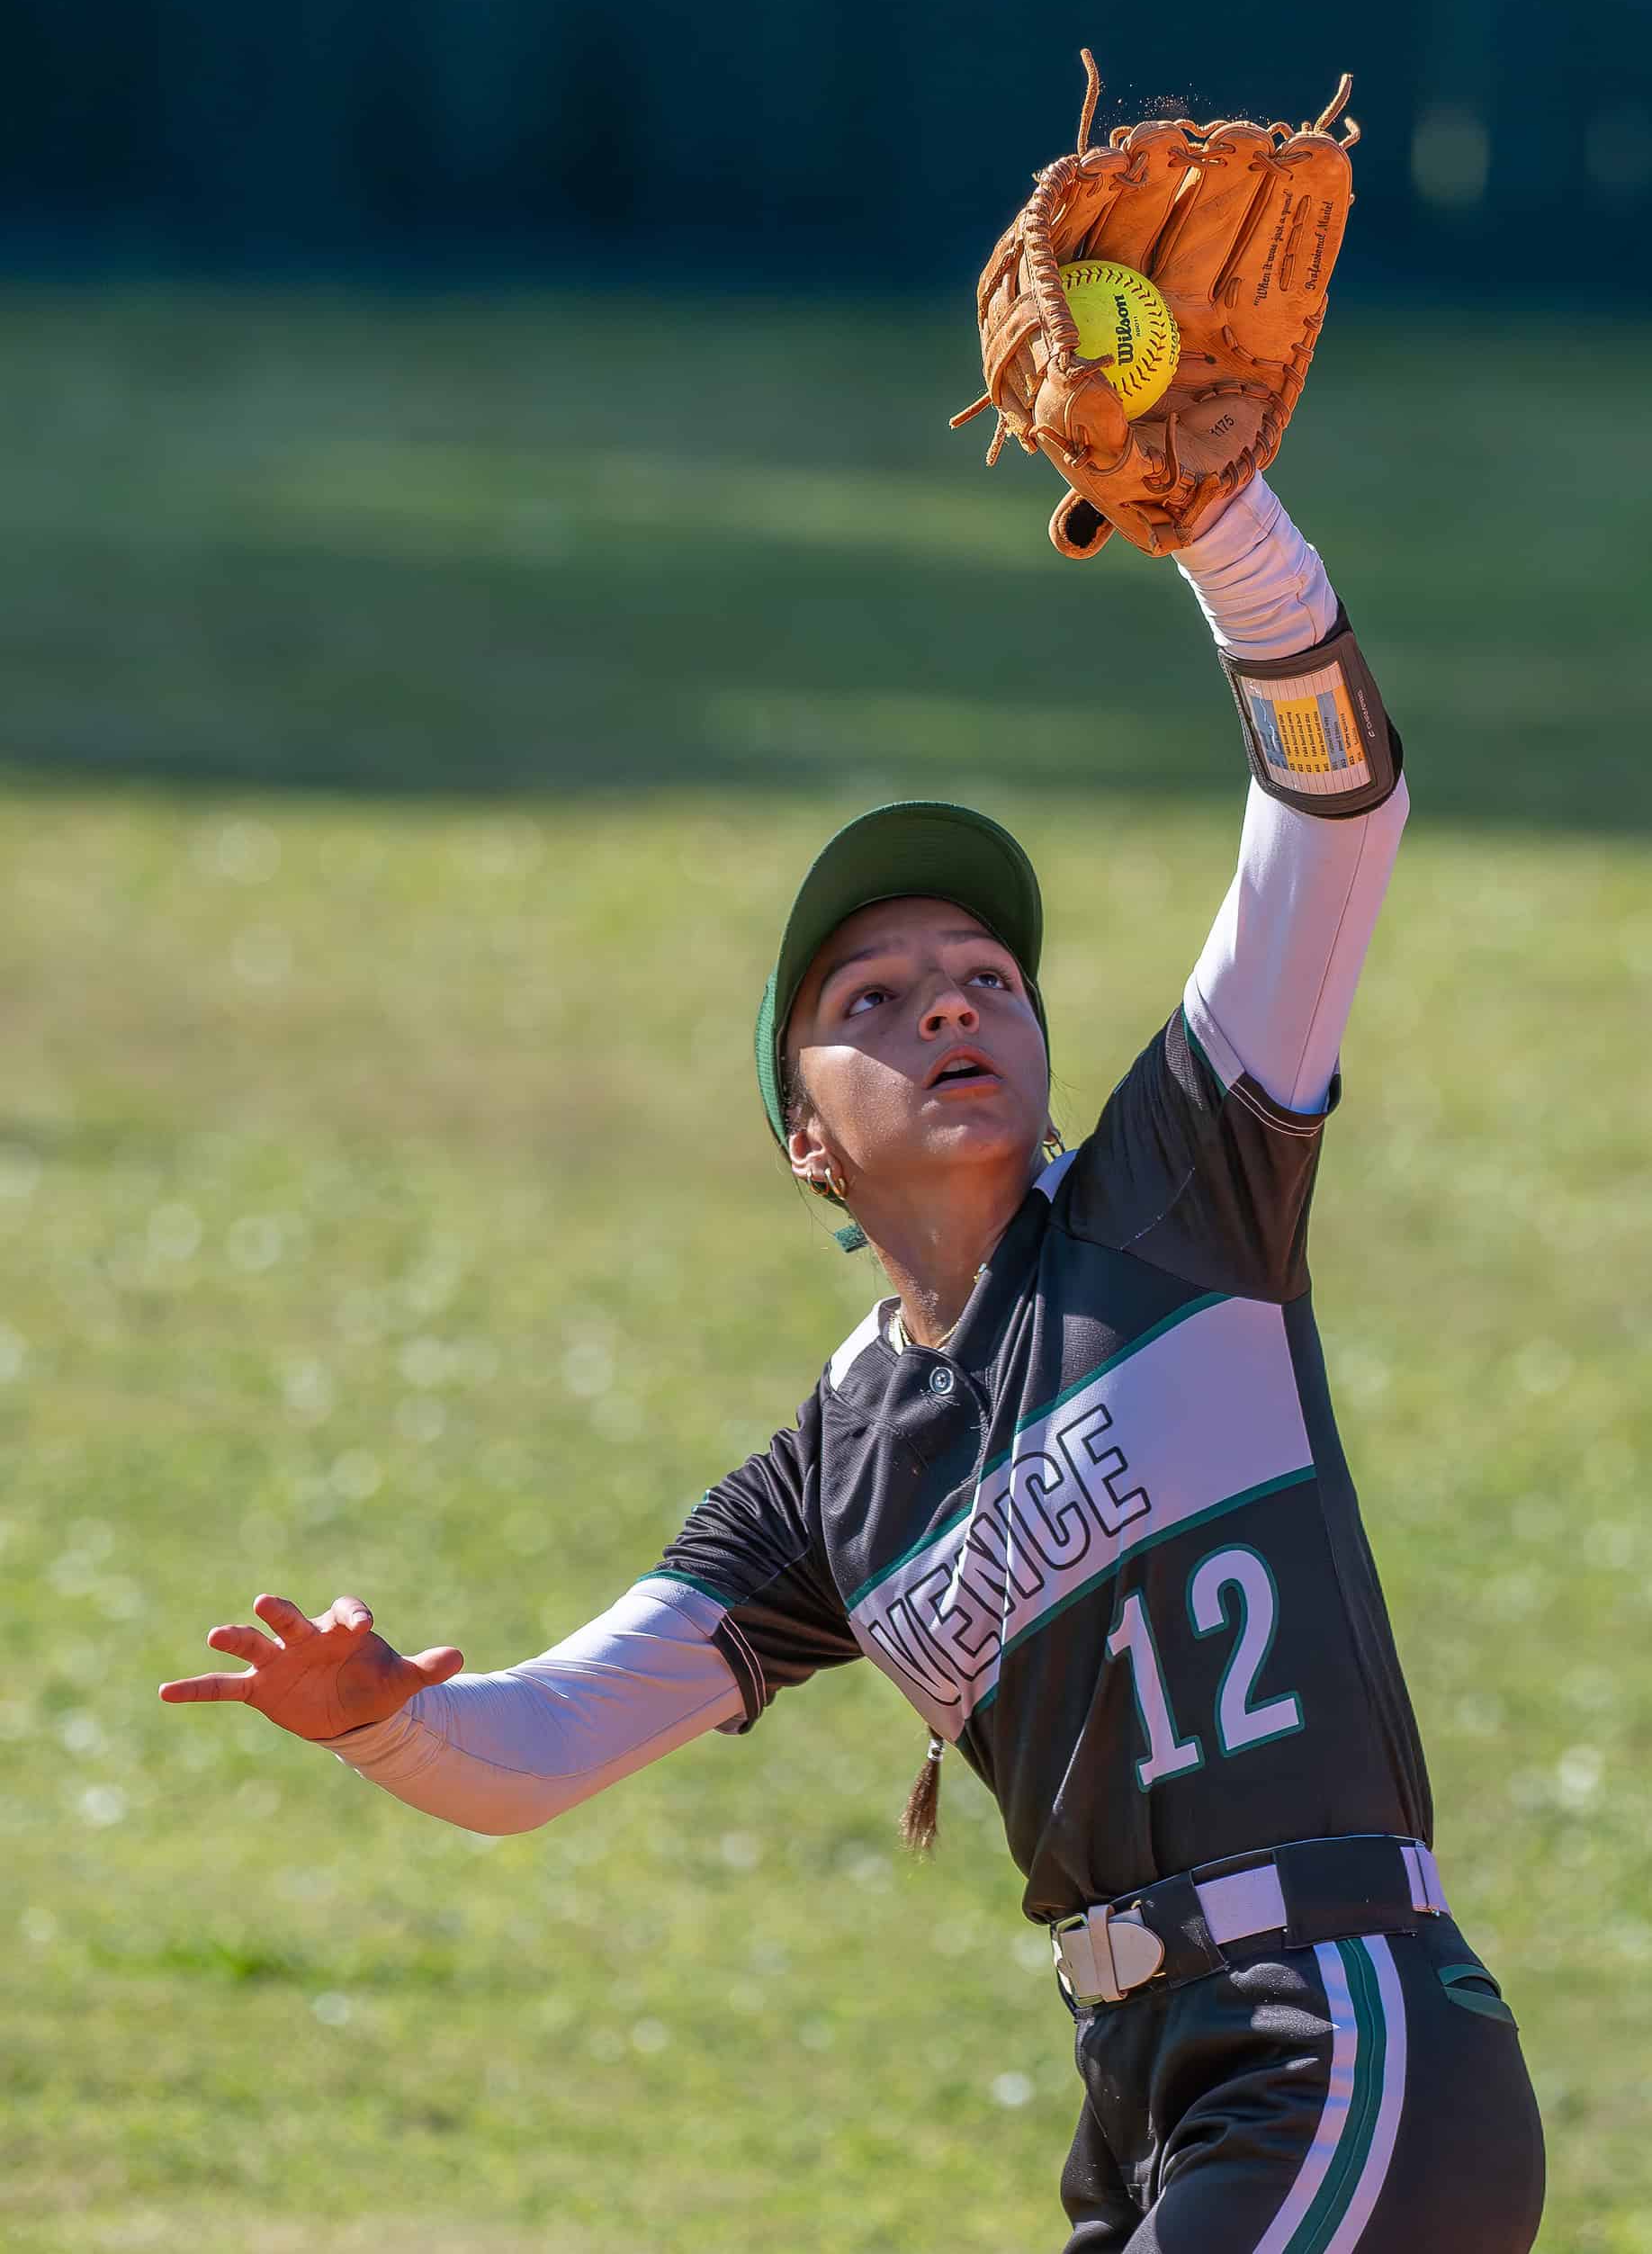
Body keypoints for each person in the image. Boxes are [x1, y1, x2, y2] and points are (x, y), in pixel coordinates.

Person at [161, 474, 1545, 2250]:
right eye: (869, 999)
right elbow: (544, 1739)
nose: (949, 1000)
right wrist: (384, 1718)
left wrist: (1229, 531)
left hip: (1344, 2037)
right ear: (806, 1141)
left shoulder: (1177, 1196)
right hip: (1143, 2088)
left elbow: (1337, 806)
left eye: (985, 974)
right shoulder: (835, 1471)